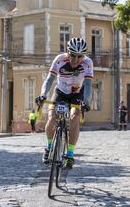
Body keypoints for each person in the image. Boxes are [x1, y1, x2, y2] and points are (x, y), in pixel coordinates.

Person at [35, 37, 93, 169]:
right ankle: (49, 148)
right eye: (73, 55)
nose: (76, 59)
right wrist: (43, 94)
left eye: (80, 56)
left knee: (75, 117)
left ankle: (70, 155)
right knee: (52, 117)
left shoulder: (88, 63)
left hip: (77, 93)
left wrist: (86, 101)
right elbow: (49, 80)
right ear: (68, 52)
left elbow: (89, 85)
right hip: (60, 92)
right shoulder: (60, 59)